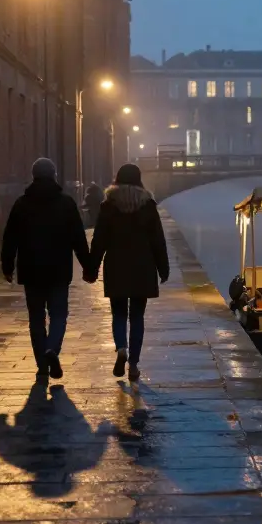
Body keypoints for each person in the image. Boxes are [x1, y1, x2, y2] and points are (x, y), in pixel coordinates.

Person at [1, 157, 90, 382]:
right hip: (59, 270)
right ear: (54, 176)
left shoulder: (22, 204)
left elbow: (10, 237)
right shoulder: (66, 203)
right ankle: (52, 349)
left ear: (33, 176)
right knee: (59, 315)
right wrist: (88, 266)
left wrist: (7, 265)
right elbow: (78, 238)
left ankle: (42, 365)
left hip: (31, 270)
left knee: (36, 317)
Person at [84, 163, 169, 381]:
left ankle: (121, 347)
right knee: (137, 316)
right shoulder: (148, 205)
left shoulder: (108, 205)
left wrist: (92, 267)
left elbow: (99, 240)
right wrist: (163, 267)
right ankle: (133, 365)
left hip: (116, 266)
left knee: (119, 314)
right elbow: (157, 240)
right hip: (143, 267)